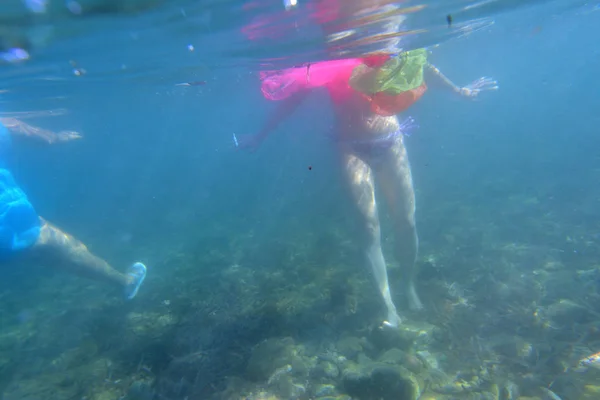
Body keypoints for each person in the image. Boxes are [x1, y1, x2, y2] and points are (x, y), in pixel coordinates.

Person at [239, 48, 496, 328]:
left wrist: (459, 90)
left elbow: (421, 67)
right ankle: (388, 304)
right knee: (368, 226)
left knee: (406, 221)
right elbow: (294, 99)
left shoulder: (379, 49)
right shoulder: (327, 61)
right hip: (350, 147)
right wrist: (261, 135)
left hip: (390, 141)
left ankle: (408, 286)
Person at [0, 116, 147, 300]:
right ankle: (125, 282)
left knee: (42, 246)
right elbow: (24, 131)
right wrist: (56, 137)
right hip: (7, 212)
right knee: (49, 244)